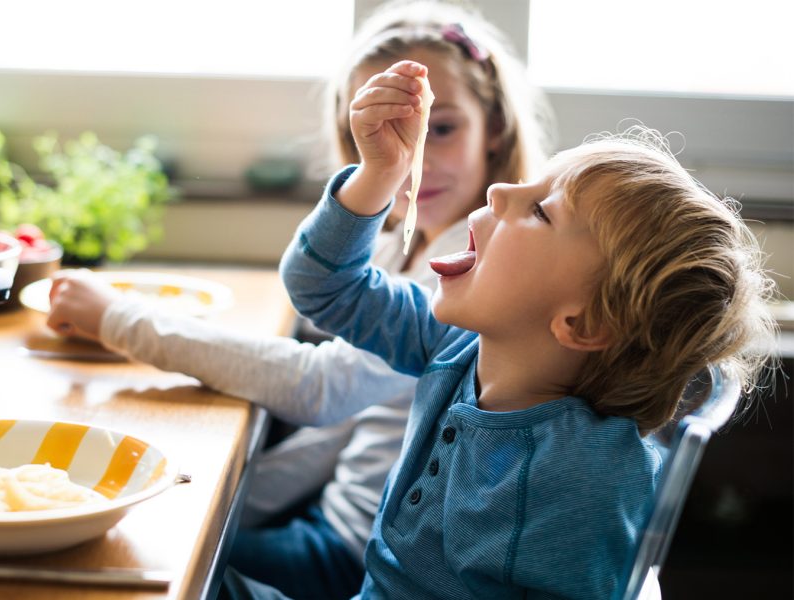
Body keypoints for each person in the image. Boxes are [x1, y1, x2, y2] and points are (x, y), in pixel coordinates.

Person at [46, 2, 551, 598]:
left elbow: (321, 388)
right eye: (391, 133)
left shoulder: (477, 276)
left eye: (441, 128)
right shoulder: (399, 247)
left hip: (358, 553)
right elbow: (340, 429)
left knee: (118, 558)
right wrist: (228, 498)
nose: (419, 154)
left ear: (493, 127)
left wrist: (119, 318)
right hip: (333, 520)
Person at [274, 57, 777, 598]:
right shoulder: (459, 347)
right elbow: (325, 288)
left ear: (581, 323)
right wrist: (379, 176)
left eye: (540, 210)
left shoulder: (586, 482)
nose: (497, 192)